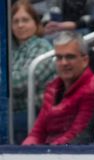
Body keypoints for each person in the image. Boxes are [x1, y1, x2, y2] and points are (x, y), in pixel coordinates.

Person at [22, 31, 94, 145]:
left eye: (70, 57)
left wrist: (45, 152)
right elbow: (37, 132)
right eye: (59, 57)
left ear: (85, 60)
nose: (64, 63)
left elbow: (77, 134)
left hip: (72, 155)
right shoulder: (52, 87)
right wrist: (26, 149)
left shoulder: (93, 89)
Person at [10, 0, 56, 143]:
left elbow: (19, 84)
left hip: (35, 115)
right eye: (15, 21)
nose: (20, 25)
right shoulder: (11, 50)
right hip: (12, 113)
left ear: (36, 23)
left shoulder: (42, 47)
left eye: (25, 20)